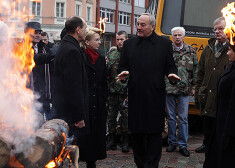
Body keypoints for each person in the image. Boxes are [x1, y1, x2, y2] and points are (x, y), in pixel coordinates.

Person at [117, 13, 180, 168]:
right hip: (135, 96)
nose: (138, 27)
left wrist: (172, 75)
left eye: (142, 25)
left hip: (154, 96)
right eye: (137, 24)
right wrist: (123, 74)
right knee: (136, 134)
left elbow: (170, 66)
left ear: (152, 26)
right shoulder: (129, 44)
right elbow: (122, 66)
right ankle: (140, 163)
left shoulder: (164, 44)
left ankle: (152, 165)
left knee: (154, 134)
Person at [194, 17, 229, 154]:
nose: (217, 32)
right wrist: (198, 92)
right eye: (215, 29)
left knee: (220, 126)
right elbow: (200, 73)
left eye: (220, 29)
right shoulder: (208, 49)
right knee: (207, 123)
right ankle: (206, 143)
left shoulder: (232, 48)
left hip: (222, 97)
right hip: (206, 94)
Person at [53, 16, 89, 144]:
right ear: (78, 29)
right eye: (85, 28)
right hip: (70, 115)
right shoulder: (72, 51)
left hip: (64, 110)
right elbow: (74, 87)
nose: (87, 31)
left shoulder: (66, 46)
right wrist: (79, 116)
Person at [165, 27, 198, 157]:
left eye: (179, 35)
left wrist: (194, 87)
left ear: (184, 36)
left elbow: (195, 70)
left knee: (183, 118)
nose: (177, 37)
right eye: (175, 35)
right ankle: (172, 143)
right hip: (169, 88)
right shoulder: (167, 51)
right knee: (171, 117)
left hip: (185, 89)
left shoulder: (191, 50)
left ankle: (183, 145)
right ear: (172, 37)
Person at [203, 43, 235, 168]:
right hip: (221, 122)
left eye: (230, 50)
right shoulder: (231, 66)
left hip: (229, 127)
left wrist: (228, 133)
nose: (227, 53)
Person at [79, 27, 107, 168]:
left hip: (99, 102)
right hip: (86, 101)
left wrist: (104, 96)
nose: (100, 42)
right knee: (86, 135)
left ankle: (93, 162)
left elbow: (104, 80)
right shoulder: (81, 57)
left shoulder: (101, 59)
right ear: (87, 42)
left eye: (99, 39)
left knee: (96, 134)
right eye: (96, 40)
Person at [25, 21, 54, 119]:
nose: (38, 35)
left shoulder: (45, 49)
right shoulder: (21, 49)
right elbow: (36, 58)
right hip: (27, 95)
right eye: (35, 32)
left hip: (44, 94)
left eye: (39, 33)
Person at [106, 30, 129, 153]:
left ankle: (125, 141)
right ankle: (112, 140)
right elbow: (107, 70)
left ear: (126, 40)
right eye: (118, 39)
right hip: (113, 91)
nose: (119, 42)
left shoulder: (131, 53)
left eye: (122, 39)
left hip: (125, 92)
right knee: (111, 116)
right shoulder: (112, 52)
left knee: (126, 117)